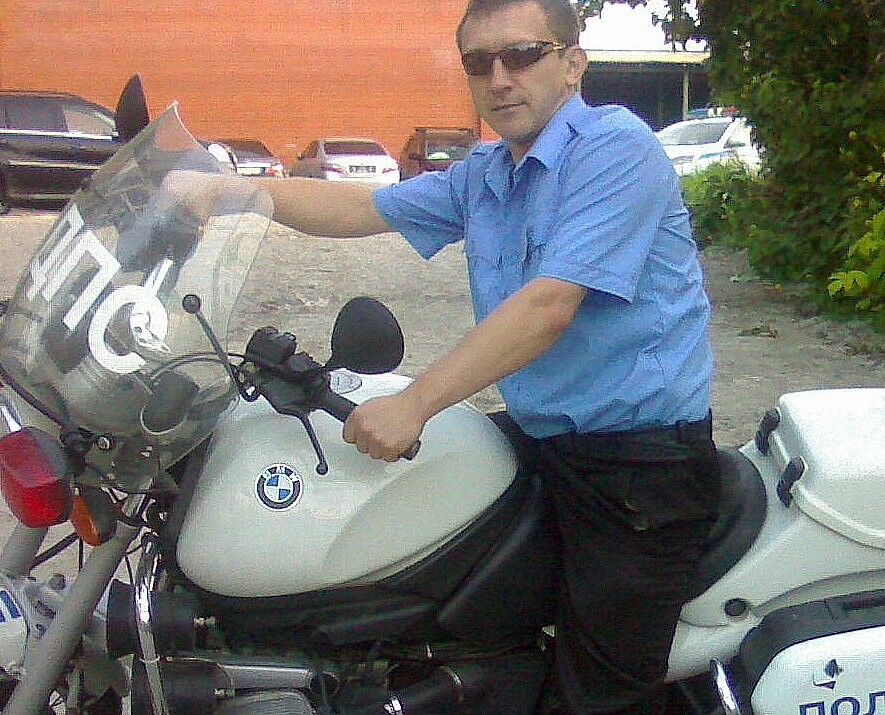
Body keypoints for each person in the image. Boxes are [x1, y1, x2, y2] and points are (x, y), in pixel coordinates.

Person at [187, 0, 721, 711]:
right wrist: (232, 192)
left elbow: (548, 306)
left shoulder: (615, 150)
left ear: (572, 63)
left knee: (597, 693)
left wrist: (413, 403)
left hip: (638, 468)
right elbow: (361, 209)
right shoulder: (488, 173)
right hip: (547, 440)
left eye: (521, 55)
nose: (499, 78)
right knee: (436, 593)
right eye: (479, 62)